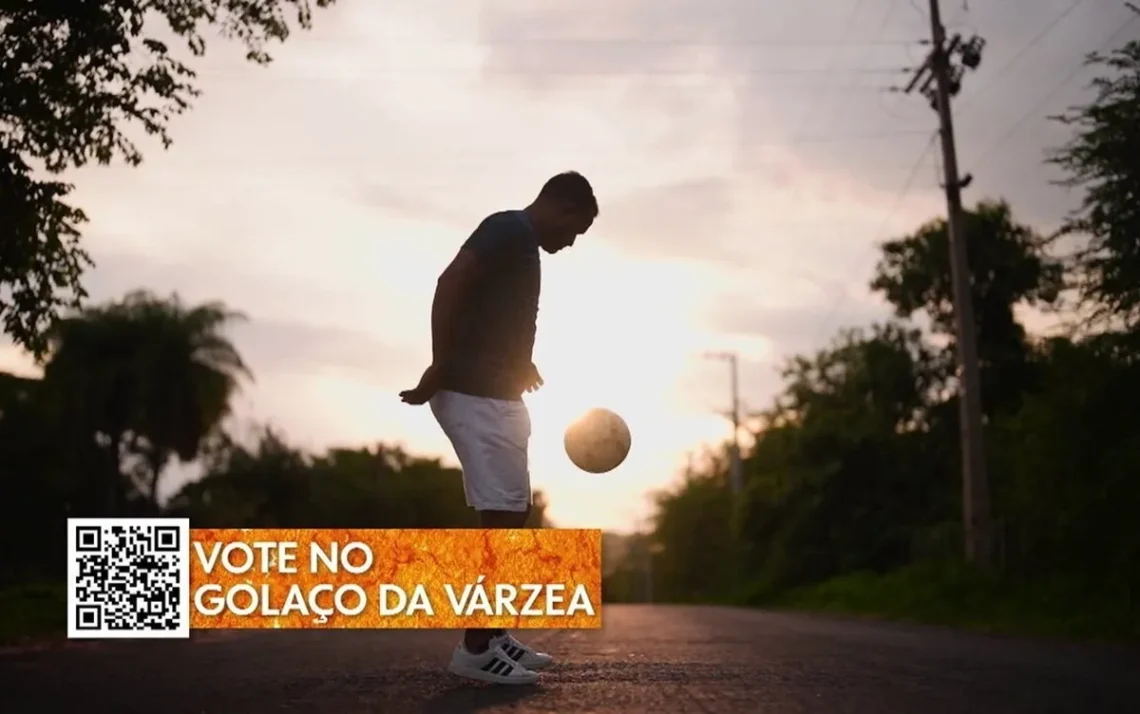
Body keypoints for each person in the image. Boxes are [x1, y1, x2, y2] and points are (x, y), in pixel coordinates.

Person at [399, 171, 599, 685]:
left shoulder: (522, 244)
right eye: (574, 230)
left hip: (492, 392)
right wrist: (441, 365)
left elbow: (492, 312)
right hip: (471, 393)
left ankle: (492, 635)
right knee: (502, 524)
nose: (571, 243)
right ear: (561, 206)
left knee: (513, 516)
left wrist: (517, 363)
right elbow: (452, 281)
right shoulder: (509, 230)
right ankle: (474, 648)